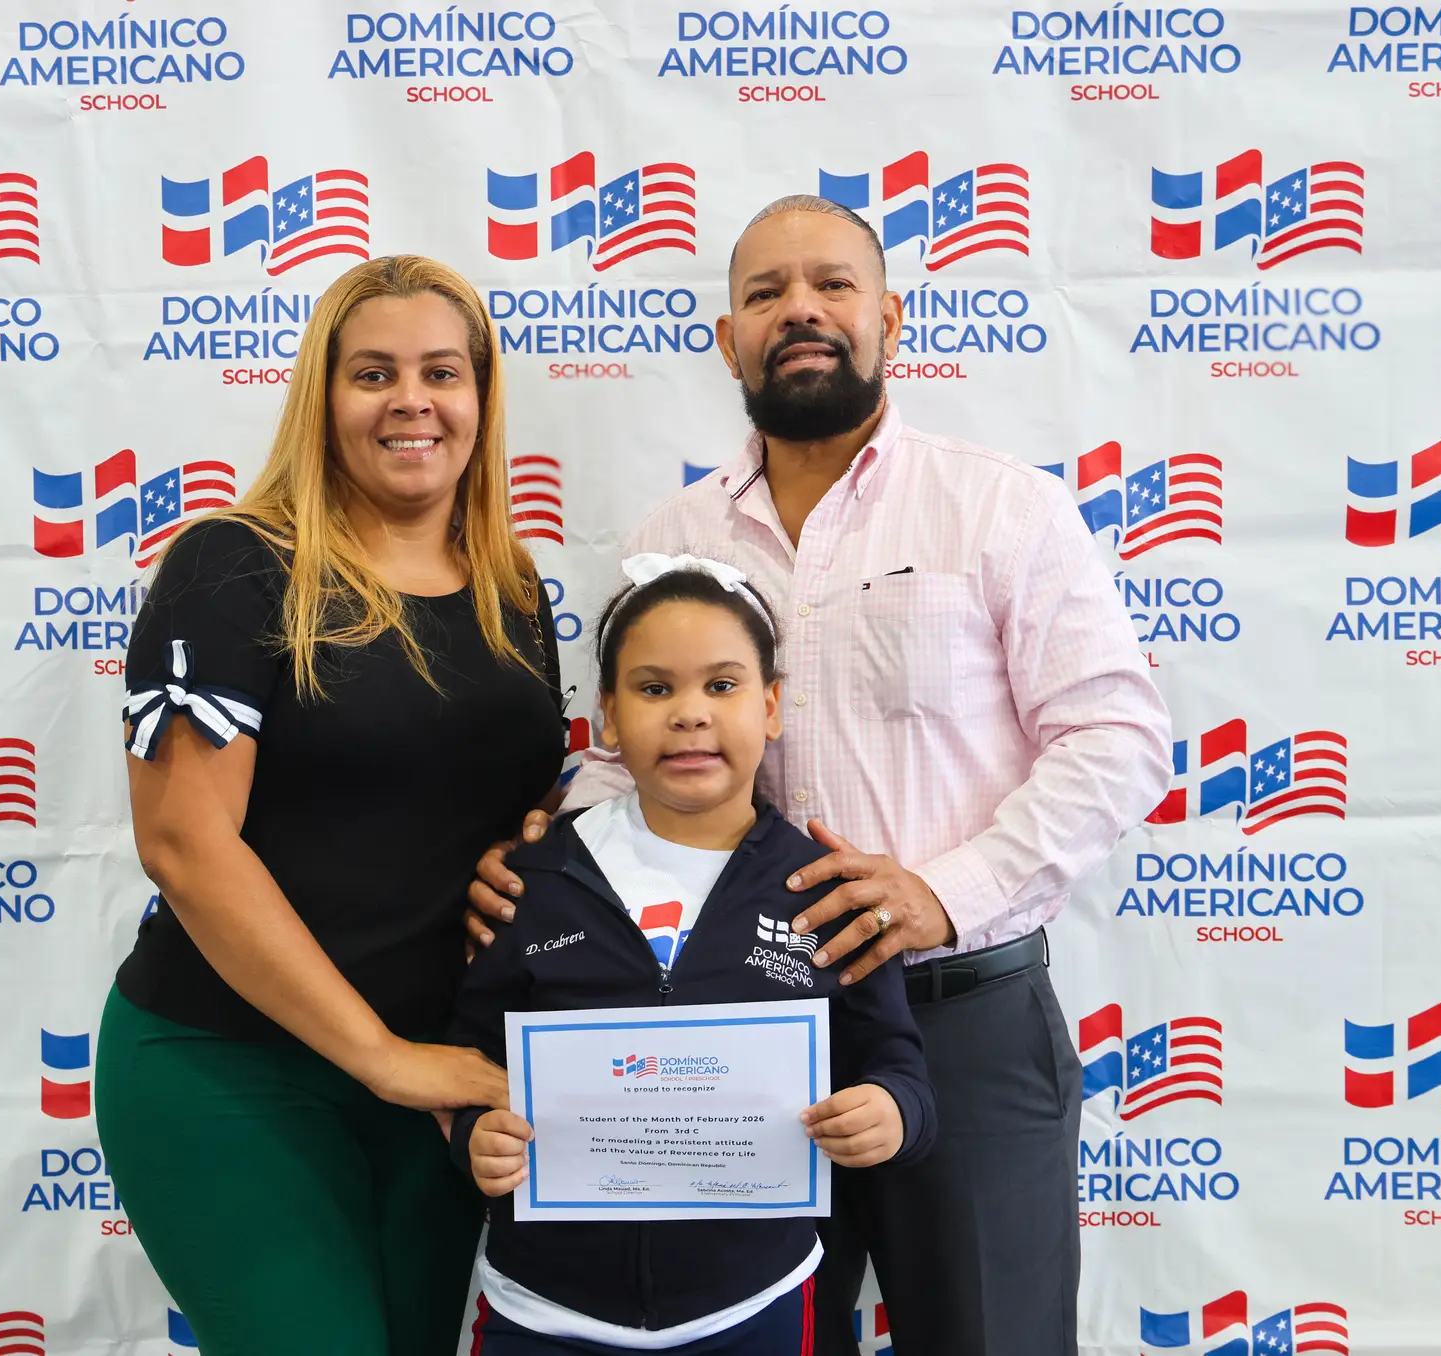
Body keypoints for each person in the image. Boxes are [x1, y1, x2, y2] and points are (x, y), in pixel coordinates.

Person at [468, 198, 1172, 1355]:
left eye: (832, 285)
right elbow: (624, 763)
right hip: (732, 1038)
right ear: (728, 340)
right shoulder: (671, 537)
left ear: (888, 318)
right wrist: (542, 865)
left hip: (963, 1019)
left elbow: (1118, 736)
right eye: (765, 293)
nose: (799, 309)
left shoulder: (999, 506)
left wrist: (942, 893)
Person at [96, 255, 567, 1356]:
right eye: (374, 374)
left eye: (442, 372)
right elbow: (183, 842)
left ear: (482, 398)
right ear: (324, 396)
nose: (412, 401)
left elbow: (488, 804)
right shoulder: (234, 566)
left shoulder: (513, 590)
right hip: (232, 1068)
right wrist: (381, 1055)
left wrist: (531, 846)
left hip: (438, 1084)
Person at [448, 555, 937, 1355]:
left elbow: (897, 1063)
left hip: (754, 1308)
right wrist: (475, 1132)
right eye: (654, 689)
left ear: (771, 706)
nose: (689, 714)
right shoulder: (533, 882)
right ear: (607, 716)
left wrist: (892, 1113)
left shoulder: (828, 893)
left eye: (722, 685)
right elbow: (469, 1056)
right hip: (542, 1312)